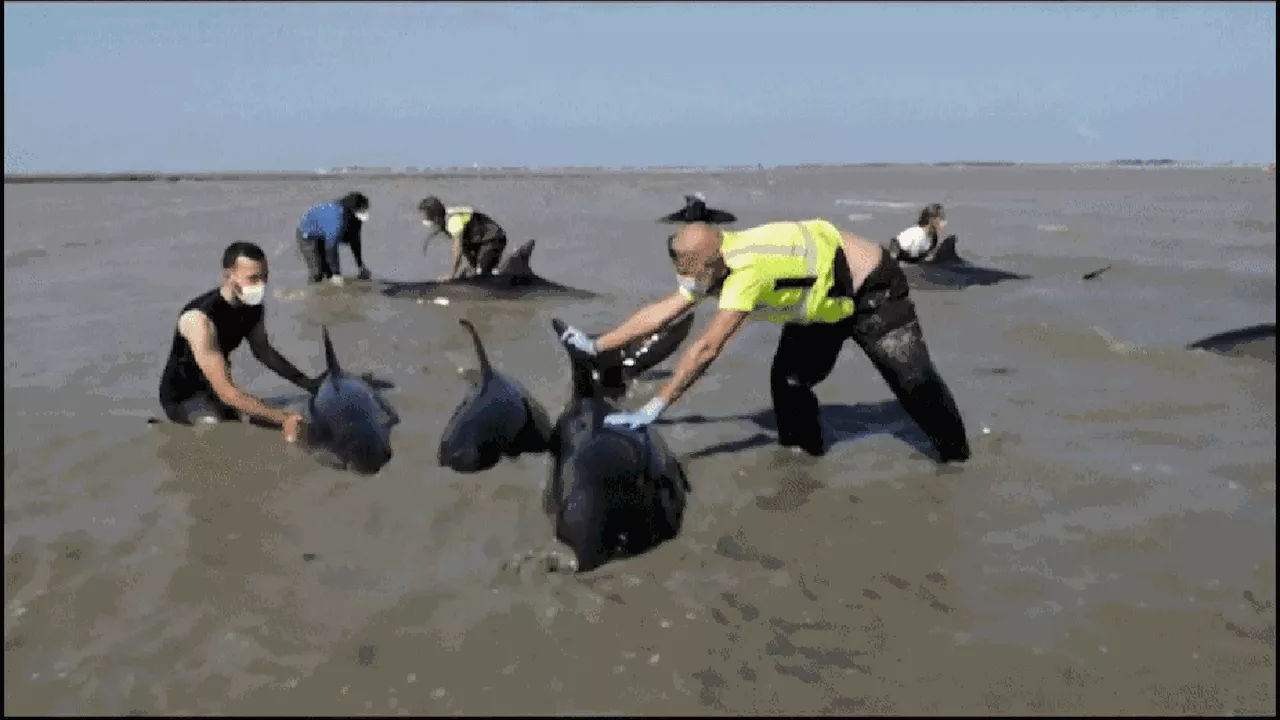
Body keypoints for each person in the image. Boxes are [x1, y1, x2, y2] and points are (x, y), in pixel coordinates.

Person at [557, 220, 971, 462]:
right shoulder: (712, 260)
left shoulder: (746, 273)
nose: (687, 280)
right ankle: (804, 459)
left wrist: (655, 405)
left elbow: (706, 348)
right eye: (681, 270)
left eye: (691, 272)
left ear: (713, 259)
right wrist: (598, 346)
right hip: (819, 305)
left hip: (870, 290)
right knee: (789, 382)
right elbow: (666, 310)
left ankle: (958, 460)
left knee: (914, 381)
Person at [157, 241, 320, 442]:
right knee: (216, 428)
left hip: (216, 387)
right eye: (253, 279)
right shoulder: (199, 319)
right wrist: (282, 418)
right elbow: (226, 392)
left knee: (271, 416)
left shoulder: (253, 307)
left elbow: (264, 352)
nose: (260, 286)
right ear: (228, 275)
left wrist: (309, 384)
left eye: (264, 278)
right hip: (184, 396)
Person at [418, 196, 509, 279]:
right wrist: (469, 266)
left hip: (493, 239)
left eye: (426, 217)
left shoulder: (454, 222)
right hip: (479, 241)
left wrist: (451, 275)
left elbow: (457, 251)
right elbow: (465, 246)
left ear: (436, 217)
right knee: (471, 271)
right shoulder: (444, 220)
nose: (424, 220)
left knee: (482, 272)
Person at [296, 191, 373, 285]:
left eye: (365, 209)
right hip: (308, 234)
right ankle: (313, 292)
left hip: (324, 231)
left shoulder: (355, 218)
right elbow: (331, 247)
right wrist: (336, 274)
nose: (364, 212)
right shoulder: (336, 218)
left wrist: (360, 266)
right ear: (352, 210)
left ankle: (329, 287)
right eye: (361, 210)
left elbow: (355, 240)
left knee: (329, 272)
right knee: (317, 273)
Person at [889, 203, 959, 264]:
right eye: (941, 219)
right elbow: (913, 261)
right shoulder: (918, 235)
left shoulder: (932, 237)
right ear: (933, 221)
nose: (944, 223)